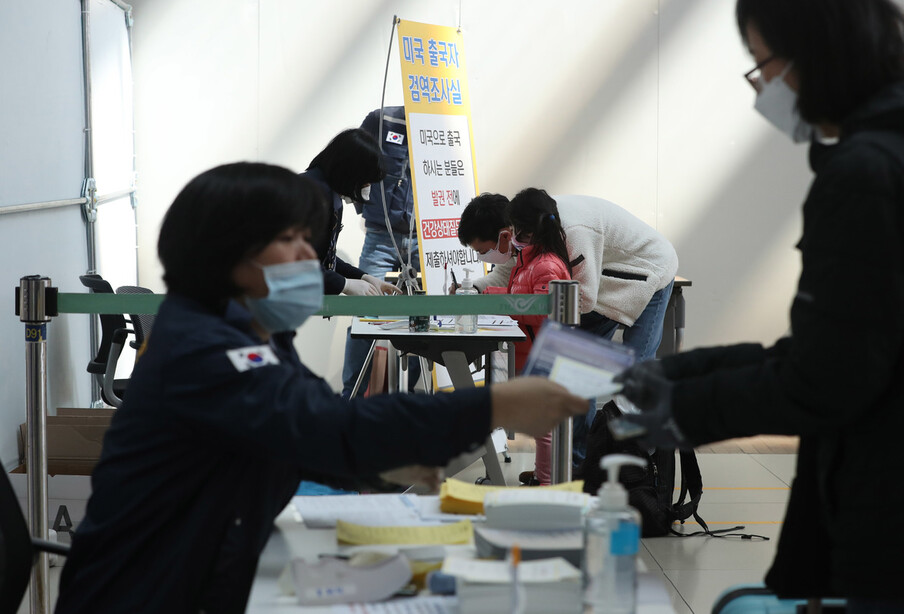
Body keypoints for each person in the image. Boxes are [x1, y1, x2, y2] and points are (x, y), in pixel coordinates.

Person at [54, 162, 588, 613]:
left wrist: (382, 463)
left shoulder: (252, 331)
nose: (310, 258)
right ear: (229, 256)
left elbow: (299, 419)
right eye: (289, 241)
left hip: (209, 570)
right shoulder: (204, 350)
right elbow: (329, 427)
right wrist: (494, 403)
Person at [614, 0, 904, 610]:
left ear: (818, 56)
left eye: (763, 64)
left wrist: (686, 407)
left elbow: (831, 378)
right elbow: (857, 340)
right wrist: (685, 372)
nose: (762, 87)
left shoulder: (868, 173)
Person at [456, 188, 679, 475]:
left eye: (481, 250)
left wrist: (518, 301)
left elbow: (581, 301)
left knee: (636, 372)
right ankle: (576, 465)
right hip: (597, 281)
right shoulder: (525, 229)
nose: (482, 256)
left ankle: (639, 471)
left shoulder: (569, 232)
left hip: (649, 269)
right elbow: (509, 273)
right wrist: (474, 288)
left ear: (503, 234)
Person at [464, 192, 573, 485]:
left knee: (545, 427)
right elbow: (519, 297)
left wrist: (497, 301)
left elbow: (541, 312)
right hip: (527, 351)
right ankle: (542, 474)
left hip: (541, 353)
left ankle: (549, 482)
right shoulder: (527, 260)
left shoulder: (547, 265)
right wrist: (490, 296)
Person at [341, 107, 422, 398]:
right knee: (363, 315)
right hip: (380, 237)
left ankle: (407, 395)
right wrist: (366, 209)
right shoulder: (381, 120)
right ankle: (351, 396)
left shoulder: (442, 121)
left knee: (422, 320)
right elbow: (353, 165)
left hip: (423, 242)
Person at [302, 128, 401, 298]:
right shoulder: (309, 196)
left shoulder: (328, 194)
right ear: (350, 170)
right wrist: (345, 284)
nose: (367, 186)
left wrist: (364, 277)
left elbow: (324, 257)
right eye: (365, 179)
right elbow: (298, 263)